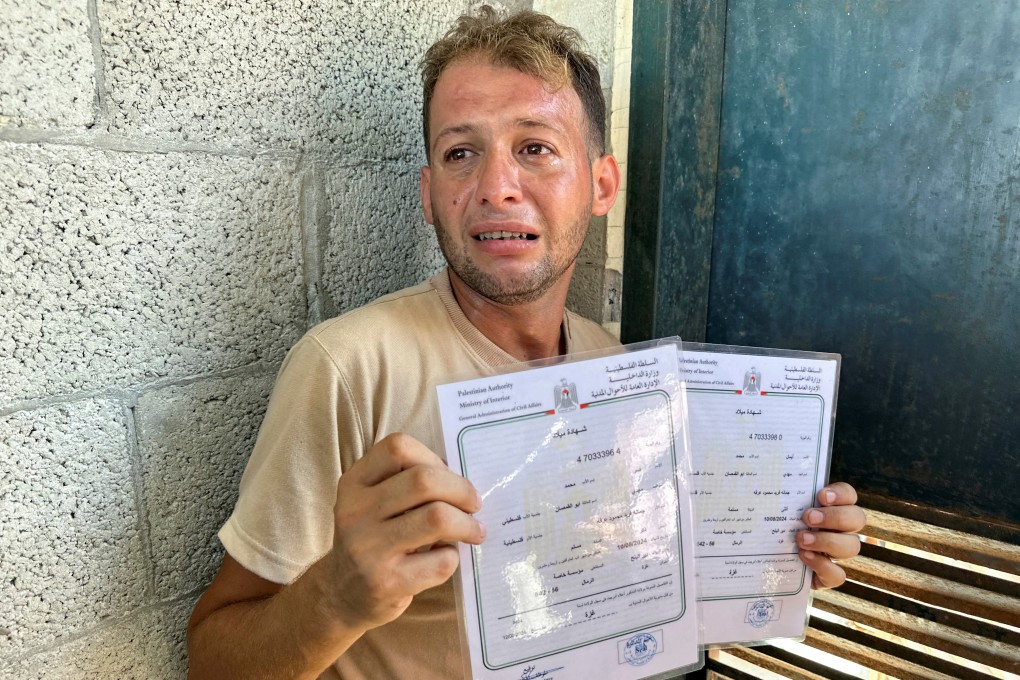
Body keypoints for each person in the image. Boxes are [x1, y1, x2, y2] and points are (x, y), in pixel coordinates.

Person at [186, 9, 865, 679]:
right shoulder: (349, 369)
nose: (496, 188)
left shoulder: (622, 373)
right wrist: (337, 596)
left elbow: (656, 598)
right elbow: (213, 660)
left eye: (535, 148)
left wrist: (776, 549)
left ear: (601, 184)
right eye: (460, 154)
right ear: (428, 192)